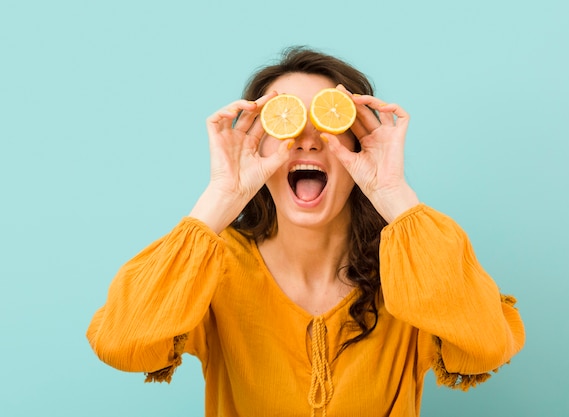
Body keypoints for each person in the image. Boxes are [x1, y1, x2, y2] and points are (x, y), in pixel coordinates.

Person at [87, 46, 525, 417]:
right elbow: (123, 344)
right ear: (254, 144)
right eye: (284, 119)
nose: (307, 139)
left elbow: (485, 346)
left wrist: (392, 191)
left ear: (359, 142)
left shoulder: (410, 273)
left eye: (329, 119)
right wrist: (221, 195)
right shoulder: (216, 268)